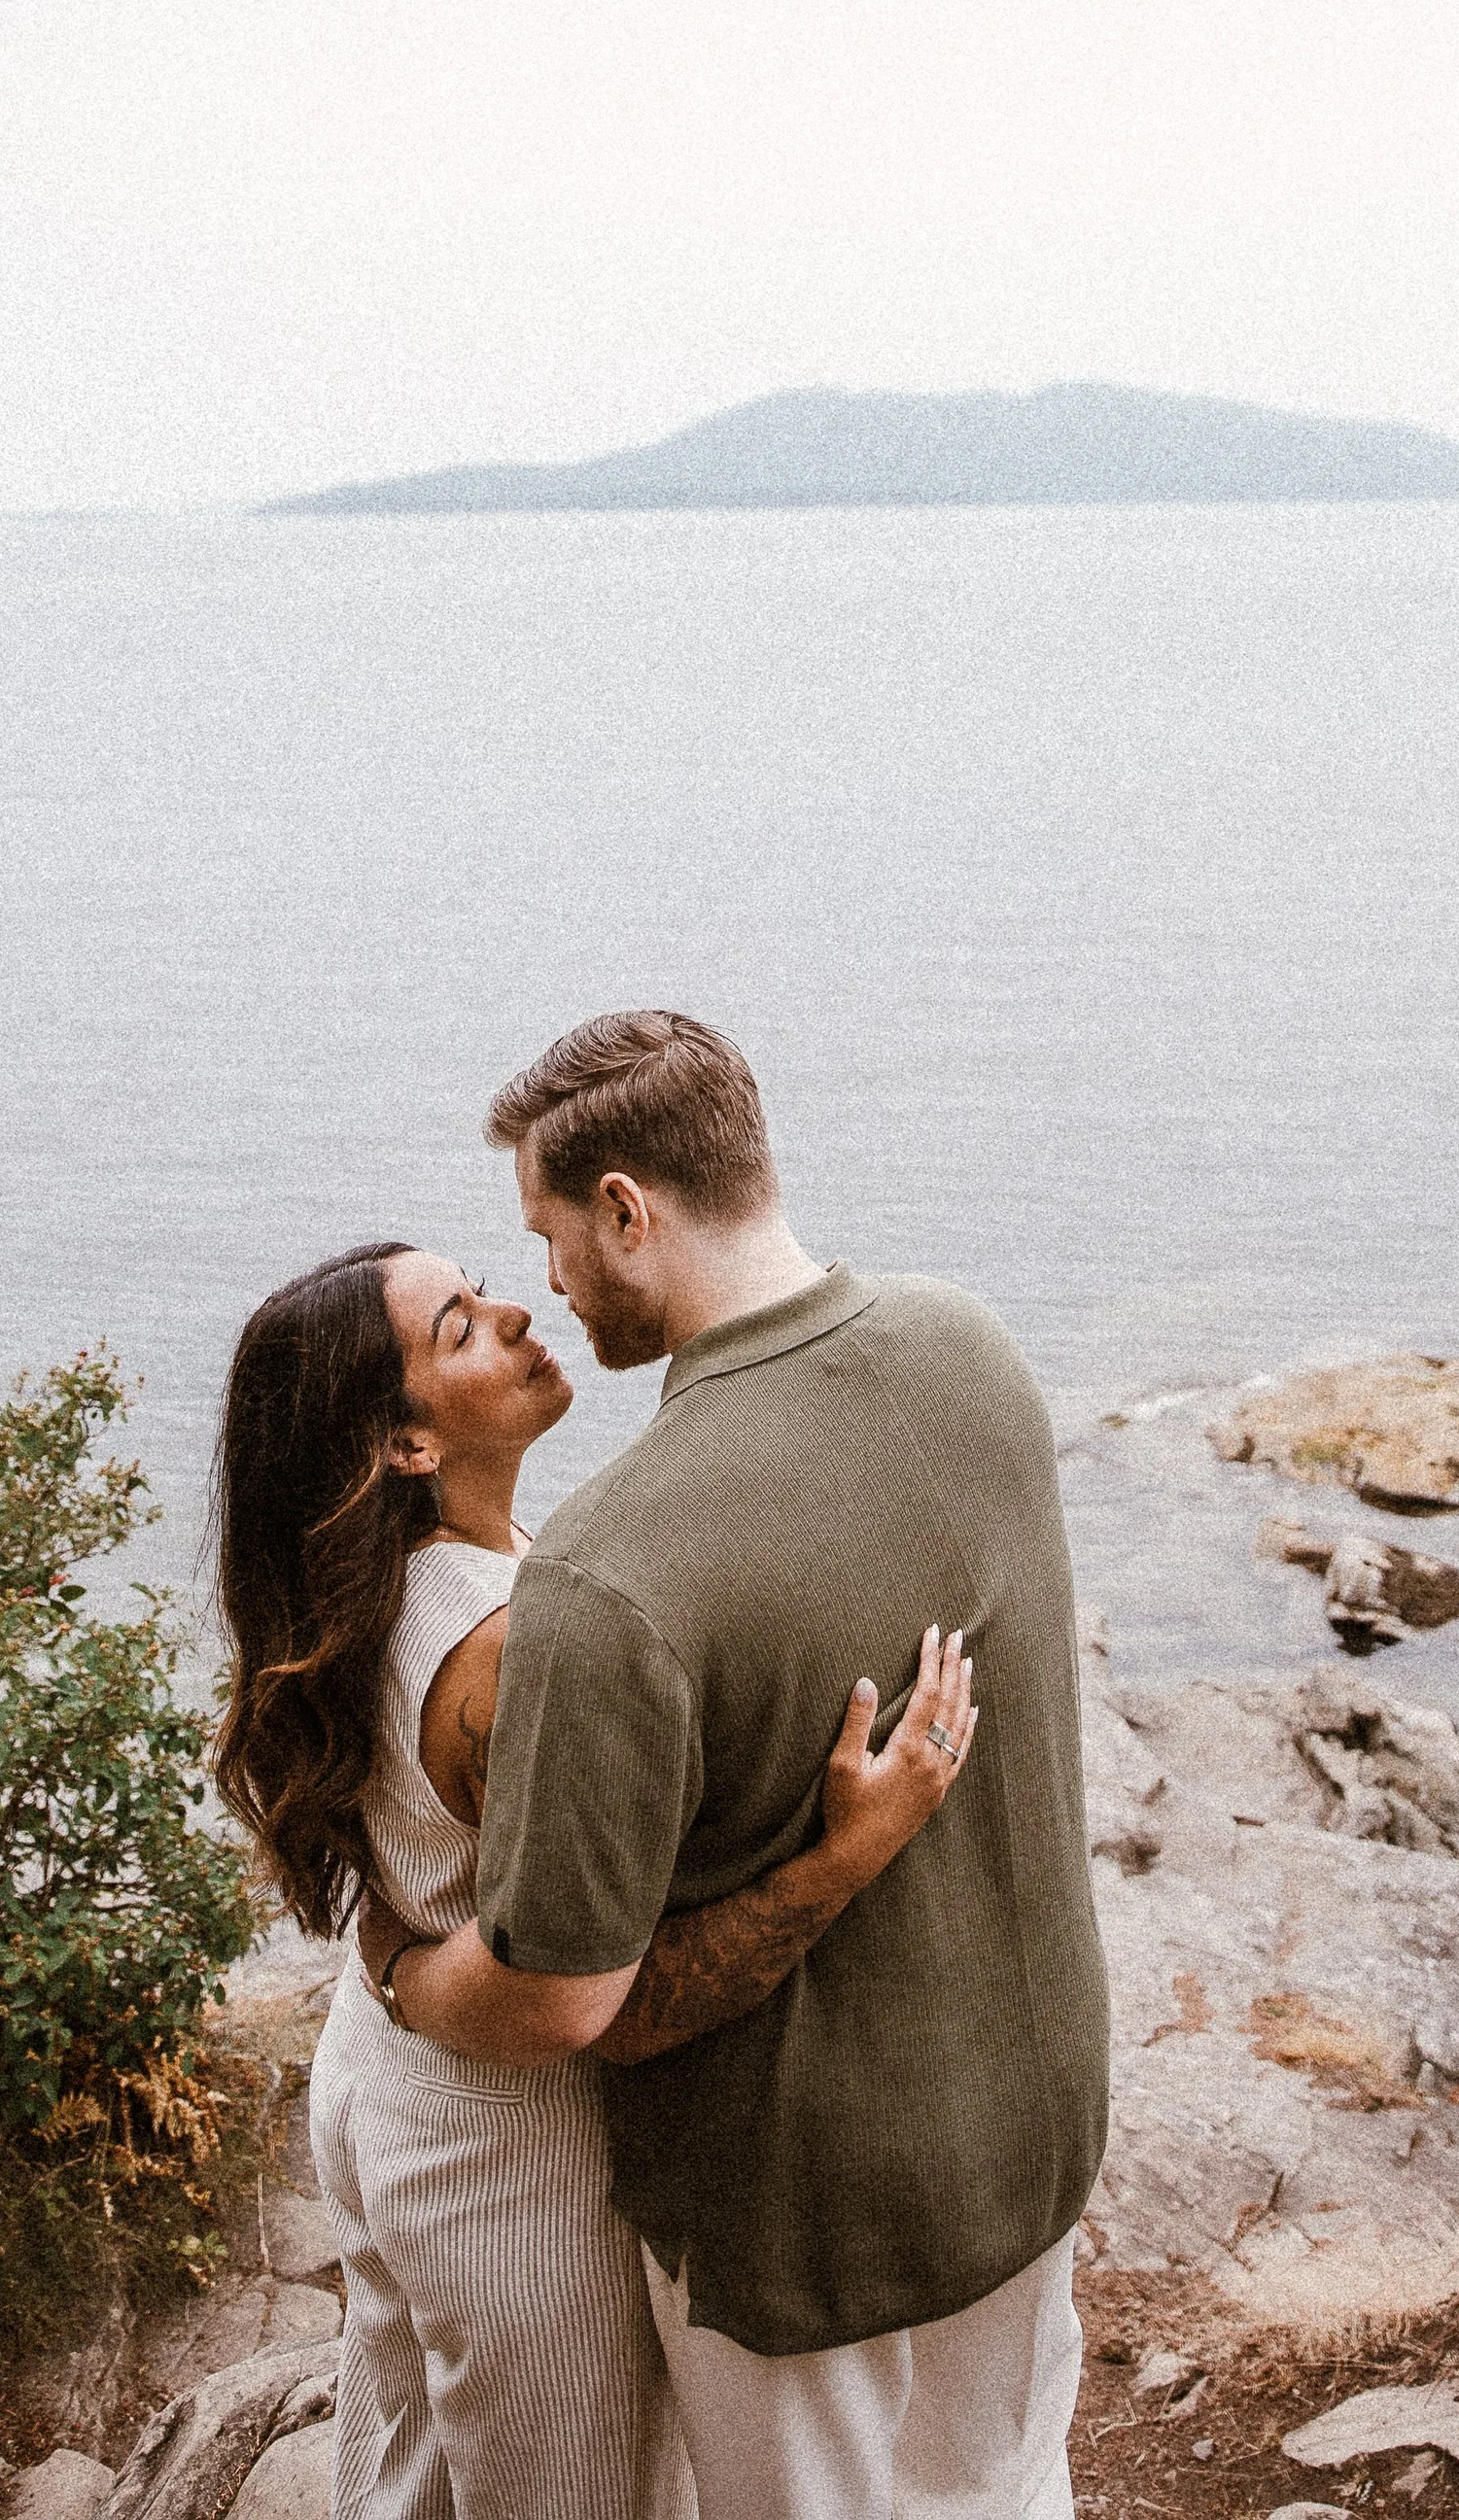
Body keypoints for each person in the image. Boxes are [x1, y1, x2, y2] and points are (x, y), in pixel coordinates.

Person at [362, 1012, 1109, 2520]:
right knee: (1010, 2494)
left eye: (553, 1237)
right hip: (1032, 2126)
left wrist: (393, 1958)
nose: (550, 1286)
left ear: (629, 1208)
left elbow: (579, 2008)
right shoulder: (973, 1343)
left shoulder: (606, 1576)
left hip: (798, 2224)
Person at [213, 1234, 977, 2520]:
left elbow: (421, 1859)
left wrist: (396, 1954)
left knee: (406, 2475)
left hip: (383, 2088)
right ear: (403, 1444)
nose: (516, 1311)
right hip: (500, 2150)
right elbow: (593, 1993)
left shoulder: (380, 1593)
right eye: (460, 1327)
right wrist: (851, 1847)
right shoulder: (504, 1656)